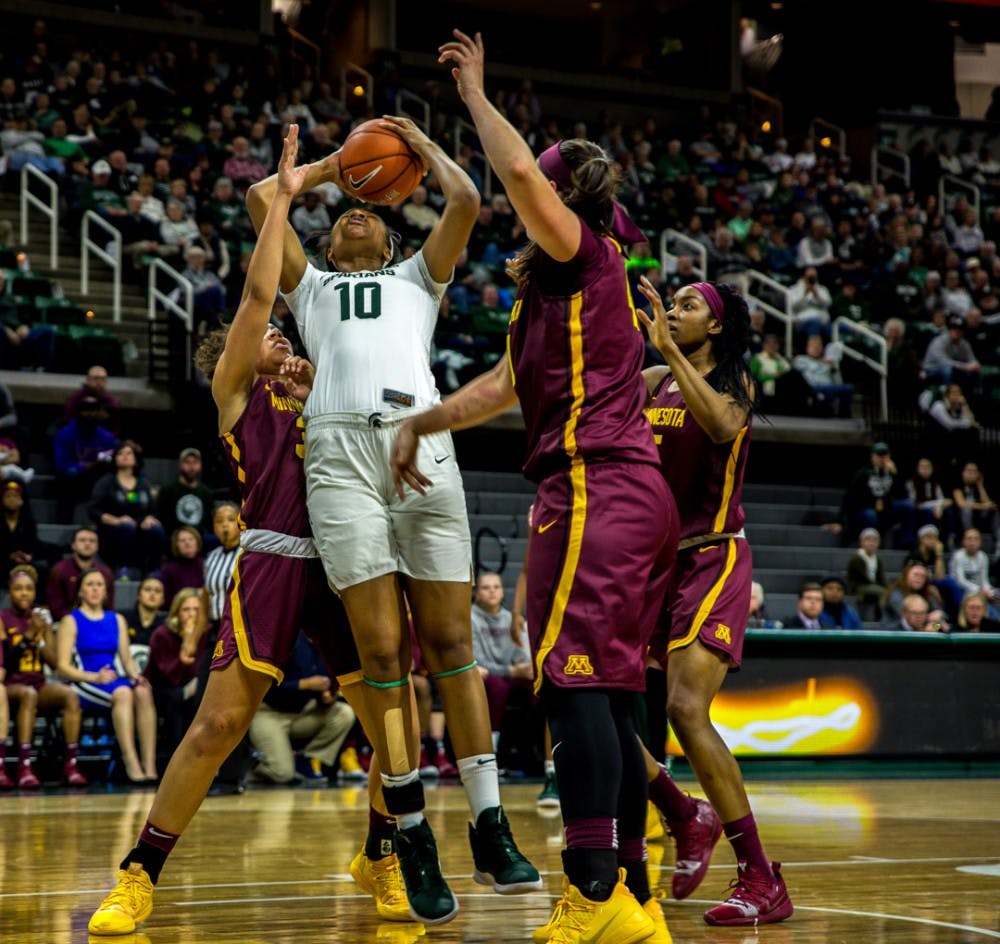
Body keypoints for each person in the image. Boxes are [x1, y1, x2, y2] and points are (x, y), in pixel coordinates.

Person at [393, 30, 679, 941]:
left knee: (574, 686)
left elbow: (517, 177)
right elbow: (501, 388)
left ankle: (590, 890)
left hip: (598, 487)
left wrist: (474, 95)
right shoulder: (560, 293)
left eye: (543, 190)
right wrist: (421, 423)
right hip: (624, 491)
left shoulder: (587, 254)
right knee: (614, 696)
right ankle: (628, 895)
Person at [88, 126, 410, 937]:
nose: (280, 339)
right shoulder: (236, 388)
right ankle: (139, 874)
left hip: (351, 552)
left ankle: (382, 852)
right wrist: (293, 191)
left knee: (390, 727)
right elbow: (261, 297)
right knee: (220, 723)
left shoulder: (325, 374)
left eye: (282, 339)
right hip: (275, 555)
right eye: (268, 338)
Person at [249, 112, 539, 922]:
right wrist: (333, 165)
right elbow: (259, 196)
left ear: (388, 235)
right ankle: (410, 832)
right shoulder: (308, 287)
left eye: (369, 211)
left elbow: (466, 198)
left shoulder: (419, 278)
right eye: (347, 212)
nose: (356, 215)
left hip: (422, 447)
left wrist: (421, 145)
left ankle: (489, 823)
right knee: (383, 653)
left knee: (451, 648)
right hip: (339, 456)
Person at [635, 275, 792, 926]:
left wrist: (669, 354)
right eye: (669, 305)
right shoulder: (646, 382)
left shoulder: (735, 383)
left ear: (719, 325)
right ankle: (681, 812)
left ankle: (760, 875)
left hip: (712, 554)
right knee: (591, 708)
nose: (673, 311)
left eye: (688, 305)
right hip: (649, 565)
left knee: (683, 709)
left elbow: (723, 426)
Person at [55, 569, 156, 783]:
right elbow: (62, 667)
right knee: (124, 694)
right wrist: (94, 678)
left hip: (112, 679)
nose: (95, 589)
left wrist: (135, 676)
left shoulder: (116, 619)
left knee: (143, 692)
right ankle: (131, 763)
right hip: (84, 681)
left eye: (99, 584)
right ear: (80, 591)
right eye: (90, 584)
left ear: (106, 591)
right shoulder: (71, 620)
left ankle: (150, 765)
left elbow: (127, 660)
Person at [1, 566, 88, 788]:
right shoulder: (3, 619)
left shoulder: (41, 619)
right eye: (18, 589)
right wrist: (28, 635)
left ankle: (71, 764)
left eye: (29, 589)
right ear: (9, 592)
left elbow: (53, 663)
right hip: (11, 685)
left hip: (37, 683)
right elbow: (6, 663)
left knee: (70, 696)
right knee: (28, 695)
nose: (24, 593)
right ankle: (24, 766)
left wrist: (41, 636)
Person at [248, 631, 356, 784]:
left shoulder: (326, 645)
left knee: (343, 713)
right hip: (269, 713)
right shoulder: (286, 639)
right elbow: (266, 689)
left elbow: (328, 684)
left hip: (301, 713)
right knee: (282, 774)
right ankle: (248, 762)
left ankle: (306, 759)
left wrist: (327, 698)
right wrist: (304, 684)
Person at [469, 570, 533, 756]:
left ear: (503, 592)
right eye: (486, 587)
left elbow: (520, 653)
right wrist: (511, 670)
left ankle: (530, 748)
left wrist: (522, 667)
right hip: (485, 675)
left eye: (496, 587)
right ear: (477, 593)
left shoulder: (510, 619)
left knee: (535, 687)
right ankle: (491, 746)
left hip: (509, 672)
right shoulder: (470, 618)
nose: (492, 591)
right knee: (498, 687)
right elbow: (477, 660)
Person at [144, 588, 208, 761]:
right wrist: (187, 642)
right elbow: (171, 676)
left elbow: (198, 671)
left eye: (196, 610)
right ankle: (177, 759)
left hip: (192, 688)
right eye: (186, 610)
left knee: (197, 698)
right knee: (177, 698)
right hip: (162, 687)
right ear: (176, 613)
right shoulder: (162, 635)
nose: (191, 615)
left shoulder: (206, 635)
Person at [87, 440, 166, 575]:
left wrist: (149, 518)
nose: (125, 456)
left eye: (129, 453)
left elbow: (152, 510)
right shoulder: (107, 482)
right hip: (113, 531)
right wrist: (116, 520)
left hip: (139, 531)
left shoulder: (143, 484)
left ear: (135, 460)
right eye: (120, 453)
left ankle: (154, 571)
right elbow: (93, 510)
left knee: (156, 529)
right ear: (115, 459)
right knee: (126, 527)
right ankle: (124, 568)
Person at [839, 442, 910, 544]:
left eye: (885, 456)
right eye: (879, 456)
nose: (882, 459)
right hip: (866, 510)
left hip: (886, 509)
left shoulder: (893, 474)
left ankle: (907, 541)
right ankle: (872, 543)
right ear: (873, 457)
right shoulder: (863, 474)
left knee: (907, 505)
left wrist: (895, 474)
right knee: (871, 514)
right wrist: (839, 520)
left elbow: (903, 494)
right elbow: (849, 498)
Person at [46, 526, 115, 621]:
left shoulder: (105, 573)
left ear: (97, 546)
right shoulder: (59, 570)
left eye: (92, 541)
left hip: (98, 621)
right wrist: (78, 621)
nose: (87, 544)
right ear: (73, 545)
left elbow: (109, 606)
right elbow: (56, 608)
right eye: (82, 540)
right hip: (66, 622)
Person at [155, 448, 215, 541]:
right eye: (187, 462)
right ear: (180, 465)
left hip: (199, 537)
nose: (191, 466)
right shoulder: (167, 490)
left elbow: (209, 523)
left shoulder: (206, 492)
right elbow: (161, 519)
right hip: (174, 538)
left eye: (195, 462)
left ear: (200, 465)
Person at [792, 335, 853, 418]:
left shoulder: (828, 362)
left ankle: (844, 416)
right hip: (812, 386)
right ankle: (829, 415)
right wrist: (821, 362)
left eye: (819, 346)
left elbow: (838, 381)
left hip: (830, 385)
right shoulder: (801, 359)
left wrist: (832, 368)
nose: (816, 348)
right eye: (813, 346)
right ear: (807, 347)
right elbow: (799, 373)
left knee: (848, 388)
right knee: (828, 389)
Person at [882, 563, 949, 631]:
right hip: (895, 634)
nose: (919, 578)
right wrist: (930, 620)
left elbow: (941, 615)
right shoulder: (896, 595)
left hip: (922, 631)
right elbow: (912, 620)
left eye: (923, 576)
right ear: (906, 576)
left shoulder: (927, 594)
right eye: (916, 575)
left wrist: (937, 624)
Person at [951, 462, 1000, 557]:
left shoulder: (978, 487)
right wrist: (982, 506)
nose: (971, 474)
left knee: (995, 511)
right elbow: (961, 503)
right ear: (963, 472)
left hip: (979, 519)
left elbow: (987, 503)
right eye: (969, 471)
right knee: (966, 510)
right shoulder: (958, 486)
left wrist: (980, 485)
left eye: (974, 471)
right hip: (961, 522)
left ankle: (998, 542)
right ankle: (970, 537)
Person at [845, 528, 890, 621]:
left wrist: (889, 588)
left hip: (871, 587)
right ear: (861, 542)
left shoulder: (877, 559)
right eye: (868, 539)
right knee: (882, 592)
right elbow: (863, 578)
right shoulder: (857, 559)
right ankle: (881, 617)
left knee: (888, 592)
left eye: (874, 540)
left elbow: (881, 577)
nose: (871, 543)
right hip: (859, 587)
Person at [949, 529, 1000, 611]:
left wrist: (989, 590)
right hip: (962, 591)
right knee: (985, 606)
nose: (972, 542)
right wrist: (979, 590)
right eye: (969, 539)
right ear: (964, 542)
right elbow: (960, 581)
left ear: (980, 542)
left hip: (980, 591)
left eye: (976, 539)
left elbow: (984, 580)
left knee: (997, 594)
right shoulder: (958, 556)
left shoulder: (983, 557)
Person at [63, 365, 122, 434]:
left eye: (103, 379)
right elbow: (67, 419)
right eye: (96, 378)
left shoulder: (110, 400)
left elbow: (116, 423)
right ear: (88, 380)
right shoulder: (76, 398)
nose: (99, 382)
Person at [159, 526, 205, 607]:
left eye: (191, 539)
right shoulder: (169, 569)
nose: (187, 543)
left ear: (197, 542)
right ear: (176, 545)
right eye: (182, 540)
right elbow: (163, 598)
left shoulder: (207, 565)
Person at [119, 575, 166, 648]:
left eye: (157, 591)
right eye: (147, 589)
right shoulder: (122, 618)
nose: (152, 593)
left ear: (162, 600)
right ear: (138, 596)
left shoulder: (166, 625)